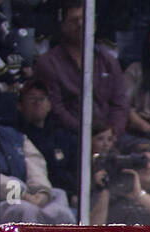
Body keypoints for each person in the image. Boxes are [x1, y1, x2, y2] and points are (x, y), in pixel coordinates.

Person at [0, 76, 76, 225]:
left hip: (28, 195)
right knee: (25, 210)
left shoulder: (13, 135)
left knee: (59, 208)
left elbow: (35, 164)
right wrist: (21, 194)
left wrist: (40, 192)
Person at [34, 3, 129, 137]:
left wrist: (112, 134)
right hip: (69, 139)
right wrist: (89, 136)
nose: (80, 24)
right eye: (74, 20)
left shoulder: (108, 61)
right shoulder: (48, 63)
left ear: (94, 24)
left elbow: (120, 103)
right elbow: (56, 109)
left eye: (85, 19)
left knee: (145, 152)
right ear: (63, 26)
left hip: (109, 138)